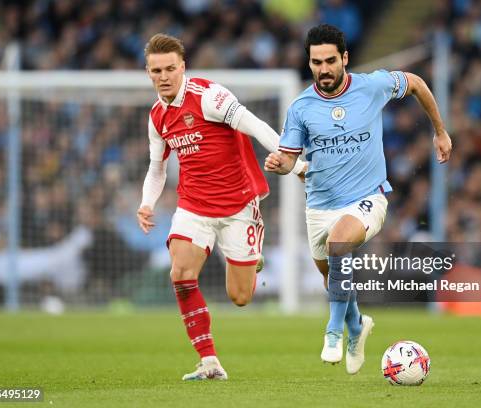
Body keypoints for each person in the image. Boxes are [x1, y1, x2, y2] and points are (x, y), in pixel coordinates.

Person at [264, 24, 452, 374]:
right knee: (333, 278)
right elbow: (290, 158)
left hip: (369, 198)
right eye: (316, 62)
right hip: (319, 206)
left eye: (330, 60)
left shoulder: (372, 86)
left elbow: (417, 84)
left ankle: (333, 332)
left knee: (339, 246)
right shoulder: (301, 107)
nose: (324, 69)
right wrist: (280, 164)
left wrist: (439, 131)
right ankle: (355, 326)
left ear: (345, 58)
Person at [136, 33, 305, 381]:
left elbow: (255, 125)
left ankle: (252, 256)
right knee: (181, 274)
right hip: (193, 205)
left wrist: (295, 163)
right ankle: (209, 361)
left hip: (238, 205)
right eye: (156, 70)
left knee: (240, 297)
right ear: (148, 72)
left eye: (170, 68)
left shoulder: (210, 97)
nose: (164, 76)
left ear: (183, 67)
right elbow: (157, 168)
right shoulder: (157, 117)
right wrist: (146, 203)